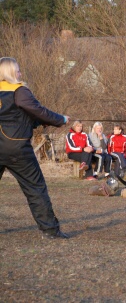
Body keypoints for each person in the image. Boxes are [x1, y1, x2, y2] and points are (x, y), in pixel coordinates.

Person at [0, 57, 70, 239]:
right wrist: (60, 119)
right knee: (35, 189)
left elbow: (22, 116)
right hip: (17, 148)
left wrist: (42, 121)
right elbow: (38, 110)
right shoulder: (19, 91)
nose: (20, 73)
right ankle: (50, 231)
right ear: (10, 73)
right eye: (17, 70)